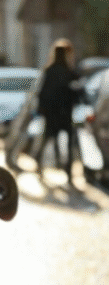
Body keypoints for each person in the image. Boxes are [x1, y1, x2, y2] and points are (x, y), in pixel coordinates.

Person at [34, 38, 81, 183]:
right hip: (65, 113)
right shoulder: (68, 71)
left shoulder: (50, 70)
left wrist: (42, 110)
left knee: (47, 138)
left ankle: (39, 165)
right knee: (69, 142)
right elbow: (76, 90)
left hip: (52, 113)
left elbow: (42, 92)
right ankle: (68, 173)